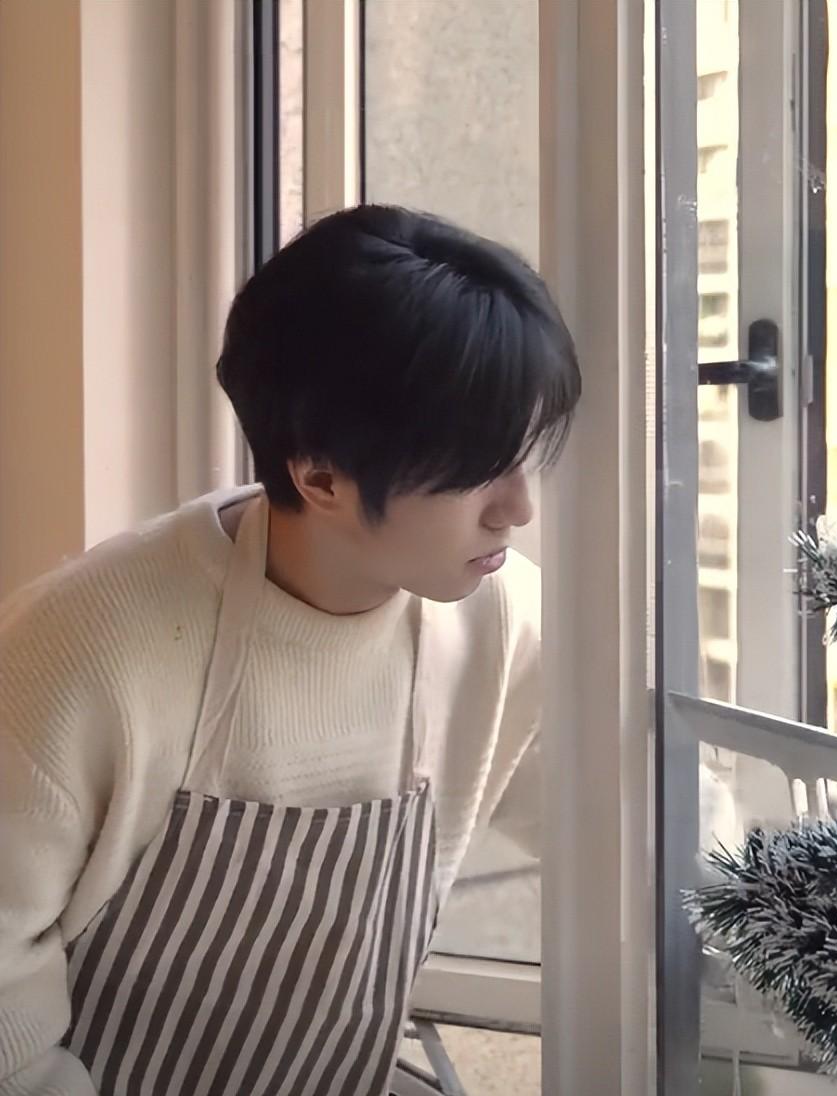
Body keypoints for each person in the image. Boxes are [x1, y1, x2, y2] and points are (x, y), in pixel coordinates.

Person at [0, 204, 581, 1096]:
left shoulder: (500, 622)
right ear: (321, 477)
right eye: (476, 471)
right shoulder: (80, 649)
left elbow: (622, 816)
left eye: (522, 458)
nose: (517, 510)